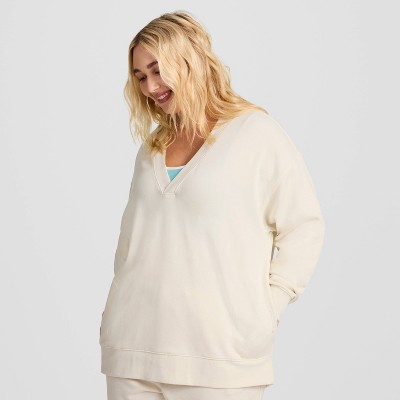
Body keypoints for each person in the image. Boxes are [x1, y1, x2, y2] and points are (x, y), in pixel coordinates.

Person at [99, 10, 325, 400]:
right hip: (132, 349)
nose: (151, 87)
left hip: (220, 355)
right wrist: (113, 315)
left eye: (157, 70)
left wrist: (268, 306)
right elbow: (130, 243)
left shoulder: (256, 134)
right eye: (140, 77)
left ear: (189, 62)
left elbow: (304, 225)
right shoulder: (151, 148)